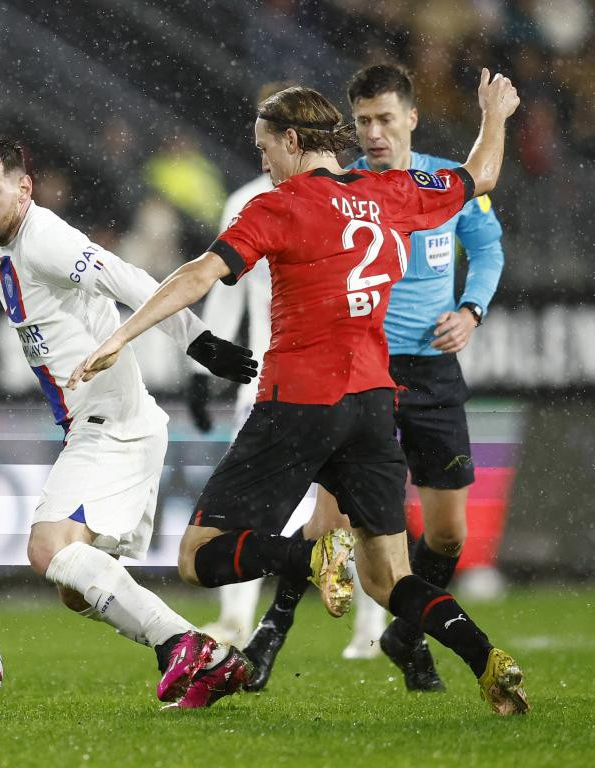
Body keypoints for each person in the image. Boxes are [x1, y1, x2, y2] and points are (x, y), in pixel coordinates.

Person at [70, 70, 528, 715]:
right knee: (389, 577)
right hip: (373, 401)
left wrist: (125, 335)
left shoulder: (278, 206)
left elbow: (201, 273)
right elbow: (478, 175)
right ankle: (488, 659)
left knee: (198, 557)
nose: (263, 163)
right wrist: (495, 116)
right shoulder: (391, 189)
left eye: (264, 150)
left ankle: (312, 555)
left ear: (291, 140)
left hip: (298, 400)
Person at [0, 134, 261, 709]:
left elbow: (127, 278)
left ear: (24, 189)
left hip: (111, 424)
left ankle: (183, 645)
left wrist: (197, 341)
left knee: (48, 550)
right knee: (76, 587)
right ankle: (206, 658)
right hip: (113, 425)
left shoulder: (45, 239)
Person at [242, 63, 507, 693]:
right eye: (362, 121)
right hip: (363, 368)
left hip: (434, 371)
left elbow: (490, 248)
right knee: (327, 519)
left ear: (411, 117)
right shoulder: (345, 187)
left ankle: (406, 636)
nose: (375, 133)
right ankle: (269, 636)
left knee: (448, 533)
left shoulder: (443, 181)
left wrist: (471, 309)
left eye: (386, 119)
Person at [190, 153, 388, 661]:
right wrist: (201, 372)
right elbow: (226, 289)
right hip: (265, 381)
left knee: (349, 510)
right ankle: (236, 618)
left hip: (324, 387)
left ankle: (371, 622)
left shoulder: (347, 200)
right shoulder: (249, 202)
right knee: (244, 512)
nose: (264, 152)